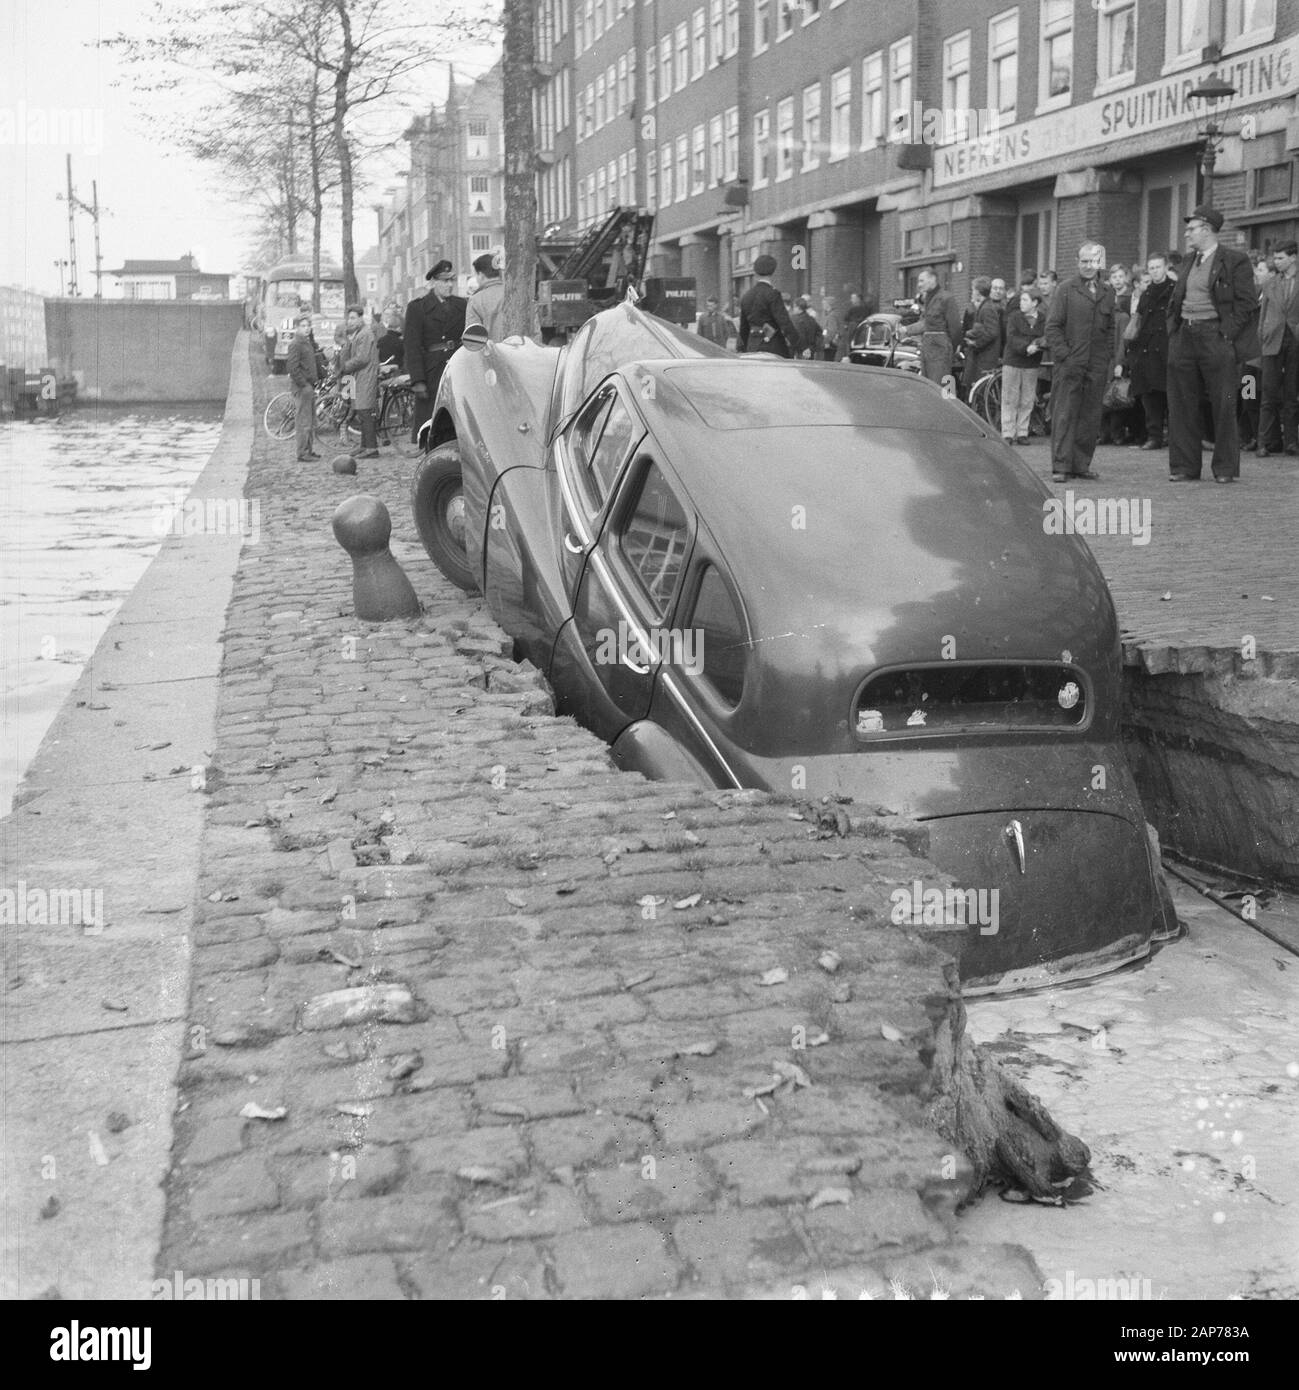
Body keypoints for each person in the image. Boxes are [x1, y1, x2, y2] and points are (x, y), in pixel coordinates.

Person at [1166, 206, 1257, 483]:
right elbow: (1178, 297)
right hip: (1185, 335)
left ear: (1206, 229)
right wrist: (1174, 329)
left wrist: (1225, 334)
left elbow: (1247, 303)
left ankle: (1226, 469)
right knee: (1181, 403)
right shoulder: (1188, 260)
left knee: (1224, 402)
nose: (1187, 233)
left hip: (1215, 336)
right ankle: (1185, 467)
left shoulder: (1235, 260)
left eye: (1191, 228)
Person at [1044, 242, 1115, 482]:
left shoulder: (1107, 291)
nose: (1088, 266)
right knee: (1065, 413)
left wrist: (1106, 358)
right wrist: (1065, 356)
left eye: (1093, 261)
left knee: (1090, 416)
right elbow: (1052, 327)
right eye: (1084, 261)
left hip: (1096, 364)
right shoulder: (1065, 289)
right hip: (1071, 363)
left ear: (1099, 263)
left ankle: (1081, 465)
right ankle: (1061, 466)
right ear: (1077, 262)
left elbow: (1110, 329)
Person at [404, 259, 467, 444]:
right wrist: (418, 381)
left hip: (456, 367)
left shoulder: (461, 305)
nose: (449, 285)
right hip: (431, 372)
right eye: (444, 281)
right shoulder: (417, 308)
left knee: (457, 421)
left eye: (451, 281)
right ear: (433, 282)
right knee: (429, 424)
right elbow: (412, 345)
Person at [1255, 240, 1299, 456]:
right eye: (1275, 258)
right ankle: (1263, 442)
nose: (1277, 262)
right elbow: (1263, 315)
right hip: (1273, 341)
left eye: (1281, 258)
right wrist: (1262, 338)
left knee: (1292, 394)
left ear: (1293, 257)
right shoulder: (1270, 284)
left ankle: (1291, 442)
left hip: (1295, 341)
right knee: (1268, 393)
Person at [1127, 253, 1174, 450]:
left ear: (1166, 267)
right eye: (1151, 268)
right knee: (1149, 395)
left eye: (1158, 267)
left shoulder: (1175, 290)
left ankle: (1174, 436)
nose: (1155, 271)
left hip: (1167, 348)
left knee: (1172, 394)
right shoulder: (1146, 294)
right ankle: (1154, 435)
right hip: (1147, 350)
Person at [900, 266, 962, 386]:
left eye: (922, 281)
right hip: (927, 349)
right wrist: (906, 330)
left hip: (940, 349)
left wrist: (949, 348)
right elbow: (926, 323)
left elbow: (956, 328)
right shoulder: (928, 298)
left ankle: (948, 405)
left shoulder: (946, 298)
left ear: (932, 279)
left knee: (943, 386)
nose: (919, 285)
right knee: (928, 386)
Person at [1001, 288, 1045, 444]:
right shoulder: (1014, 317)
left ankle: (1022, 432)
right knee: (1009, 398)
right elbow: (1011, 337)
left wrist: (1038, 344)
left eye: (1025, 300)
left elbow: (1046, 336)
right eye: (1021, 300)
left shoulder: (1043, 319)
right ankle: (1008, 432)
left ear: (1035, 303)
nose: (1021, 303)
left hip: (1032, 364)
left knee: (1027, 399)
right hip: (1013, 361)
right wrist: (1027, 347)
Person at [737, 254, 797, 356]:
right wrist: (800, 345)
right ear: (772, 271)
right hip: (773, 346)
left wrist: (742, 347)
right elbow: (784, 323)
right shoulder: (773, 294)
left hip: (752, 346)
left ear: (755, 271)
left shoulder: (746, 295)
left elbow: (744, 327)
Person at [341, 303, 380, 459]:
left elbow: (362, 358)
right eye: (349, 318)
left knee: (365, 411)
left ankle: (371, 447)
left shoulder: (365, 334)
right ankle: (364, 445)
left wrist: (345, 366)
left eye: (353, 318)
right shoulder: (360, 333)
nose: (350, 321)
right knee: (362, 410)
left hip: (366, 376)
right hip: (361, 376)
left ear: (360, 318)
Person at [286, 313, 321, 462]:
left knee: (311, 420)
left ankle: (309, 449)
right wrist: (304, 384)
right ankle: (302, 452)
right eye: (303, 326)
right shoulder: (295, 344)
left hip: (309, 386)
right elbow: (293, 367)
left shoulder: (307, 342)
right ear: (296, 328)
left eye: (308, 326)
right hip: (302, 388)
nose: (307, 329)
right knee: (303, 421)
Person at [962, 276, 1002, 394]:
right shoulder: (985, 306)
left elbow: (992, 332)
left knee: (981, 389)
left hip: (985, 356)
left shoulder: (987, 308)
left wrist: (976, 343)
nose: (972, 293)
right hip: (983, 355)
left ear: (978, 292)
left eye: (973, 290)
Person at [839, 291, 868, 360]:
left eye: (853, 298)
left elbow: (846, 319)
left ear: (858, 299)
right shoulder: (862, 308)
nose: (851, 300)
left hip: (856, 331)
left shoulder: (858, 309)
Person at [820, 295, 842, 361]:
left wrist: (826, 342)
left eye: (823, 304)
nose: (822, 305)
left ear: (828, 305)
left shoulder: (832, 316)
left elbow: (832, 330)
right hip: (831, 343)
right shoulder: (831, 314)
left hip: (830, 344)